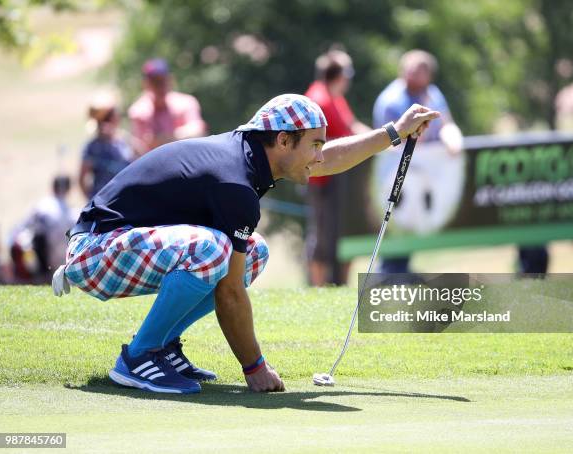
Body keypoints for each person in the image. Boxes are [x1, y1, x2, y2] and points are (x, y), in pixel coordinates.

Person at [52, 94, 439, 394]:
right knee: (214, 251)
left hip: (116, 248)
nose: (319, 156)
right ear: (284, 140)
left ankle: (162, 346)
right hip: (93, 253)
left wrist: (394, 132)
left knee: (253, 251)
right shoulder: (236, 183)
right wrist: (254, 367)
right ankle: (138, 358)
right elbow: (231, 295)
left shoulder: (254, 155)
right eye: (315, 145)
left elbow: (328, 159)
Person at [373, 49, 463, 273]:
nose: (415, 76)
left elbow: (446, 124)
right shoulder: (391, 100)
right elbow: (390, 142)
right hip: (397, 176)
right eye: (411, 71)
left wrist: (453, 138)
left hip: (427, 176)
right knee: (398, 233)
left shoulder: (432, 93)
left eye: (421, 72)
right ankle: (388, 275)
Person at [304, 49, 370, 286]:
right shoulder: (319, 99)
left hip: (335, 178)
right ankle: (318, 287)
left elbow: (351, 127)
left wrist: (382, 139)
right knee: (321, 236)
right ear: (339, 75)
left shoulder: (335, 98)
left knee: (336, 234)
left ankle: (334, 284)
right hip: (321, 180)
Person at [128, 58, 208, 155]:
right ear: (146, 84)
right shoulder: (139, 111)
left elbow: (198, 131)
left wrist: (167, 138)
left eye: (163, 81)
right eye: (155, 82)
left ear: (170, 80)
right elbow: (140, 149)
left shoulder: (186, 102)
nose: (160, 86)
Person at [10, 176, 77, 283]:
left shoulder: (41, 206)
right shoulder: (73, 213)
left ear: (53, 187)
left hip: (39, 262)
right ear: (69, 190)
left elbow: (19, 230)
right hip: (59, 263)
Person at [79, 94, 134, 200]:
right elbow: (82, 179)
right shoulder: (92, 147)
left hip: (127, 198)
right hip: (105, 201)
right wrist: (92, 201)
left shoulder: (125, 140)